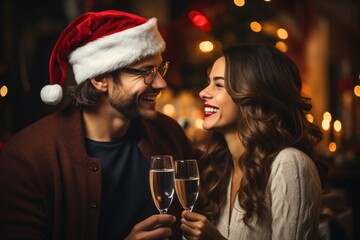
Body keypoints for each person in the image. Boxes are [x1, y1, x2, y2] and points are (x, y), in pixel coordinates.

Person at [0, 10, 198, 240]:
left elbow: (215, 181)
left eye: (159, 69)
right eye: (146, 72)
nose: (161, 82)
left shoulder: (167, 133)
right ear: (100, 79)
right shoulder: (28, 157)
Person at [180, 44, 329, 239]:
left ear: (253, 92)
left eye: (218, 85)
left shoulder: (290, 164)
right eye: (208, 82)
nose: (203, 93)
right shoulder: (221, 167)